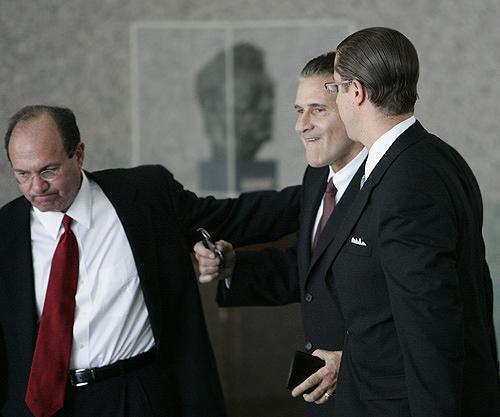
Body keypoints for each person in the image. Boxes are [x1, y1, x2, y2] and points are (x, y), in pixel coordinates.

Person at [0, 105, 301, 417]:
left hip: (138, 395)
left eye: (48, 170)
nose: (36, 188)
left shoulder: (144, 195)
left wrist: (327, 191)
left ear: (78, 154)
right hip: (43, 406)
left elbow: (235, 218)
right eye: (23, 174)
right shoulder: (5, 232)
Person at [320, 27, 499, 416]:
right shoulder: (433, 155)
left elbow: (429, 321)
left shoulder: (408, 179)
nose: (335, 100)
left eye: (334, 89)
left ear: (357, 92)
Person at [194, 52, 367, 417]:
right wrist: (234, 267)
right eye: (298, 110)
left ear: (355, 107)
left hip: (378, 391)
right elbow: (313, 273)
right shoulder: (318, 177)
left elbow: (413, 303)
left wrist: (350, 360)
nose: (301, 125)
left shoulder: (387, 187)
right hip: (327, 396)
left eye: (318, 109)